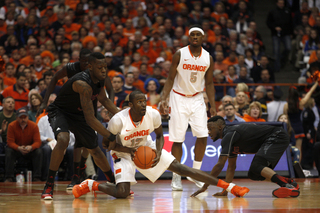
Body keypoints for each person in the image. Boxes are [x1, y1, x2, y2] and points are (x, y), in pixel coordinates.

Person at [72, 91, 249, 199]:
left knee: (181, 168)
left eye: (144, 101)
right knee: (122, 193)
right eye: (139, 102)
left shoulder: (153, 114)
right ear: (130, 105)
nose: (143, 104)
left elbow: (158, 136)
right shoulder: (118, 121)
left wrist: (157, 151)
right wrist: (129, 150)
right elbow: (107, 145)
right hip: (123, 153)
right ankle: (91, 185)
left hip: (146, 147)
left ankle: (231, 187)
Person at [41, 52, 119, 200]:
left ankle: (114, 182)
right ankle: (49, 185)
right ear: (90, 67)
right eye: (100, 67)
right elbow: (90, 119)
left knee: (95, 150)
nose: (103, 70)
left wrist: (122, 114)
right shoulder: (82, 83)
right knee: (63, 139)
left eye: (105, 67)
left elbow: (104, 100)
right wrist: (110, 136)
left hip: (78, 114)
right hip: (61, 111)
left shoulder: (100, 79)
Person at [159, 26, 216, 191]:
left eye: (198, 35)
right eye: (193, 35)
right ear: (189, 37)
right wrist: (164, 97)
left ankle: (195, 173)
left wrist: (212, 104)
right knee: (178, 139)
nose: (195, 37)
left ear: (203, 38)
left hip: (197, 98)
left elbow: (210, 83)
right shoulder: (180, 54)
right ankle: (176, 176)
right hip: (178, 97)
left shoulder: (208, 58)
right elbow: (170, 78)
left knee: (203, 135)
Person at [191, 116, 300, 198]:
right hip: (276, 138)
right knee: (254, 174)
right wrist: (225, 191)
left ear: (219, 126)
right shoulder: (230, 140)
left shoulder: (229, 135)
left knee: (257, 166)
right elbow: (231, 167)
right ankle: (289, 182)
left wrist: (204, 187)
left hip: (277, 136)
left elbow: (220, 165)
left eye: (210, 128)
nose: (208, 132)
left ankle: (286, 185)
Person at [5, 107, 42, 182]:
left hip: (29, 150)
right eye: (20, 117)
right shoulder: (11, 126)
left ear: (28, 117)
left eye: (24, 117)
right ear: (16, 118)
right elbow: (10, 142)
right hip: (17, 150)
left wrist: (31, 147)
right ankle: (9, 177)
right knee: (9, 151)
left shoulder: (34, 126)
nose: (23, 119)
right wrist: (18, 148)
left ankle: (37, 177)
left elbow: (38, 142)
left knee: (39, 151)